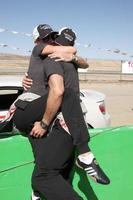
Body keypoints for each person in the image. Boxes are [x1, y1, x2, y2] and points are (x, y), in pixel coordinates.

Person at [13, 24, 110, 200]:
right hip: (27, 108)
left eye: (52, 37)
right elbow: (58, 90)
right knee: (66, 94)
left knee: (43, 158)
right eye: (45, 38)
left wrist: (72, 58)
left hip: (39, 111)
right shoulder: (42, 51)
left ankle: (37, 192)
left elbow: (83, 61)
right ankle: (85, 155)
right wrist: (44, 122)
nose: (49, 41)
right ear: (37, 40)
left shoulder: (56, 60)